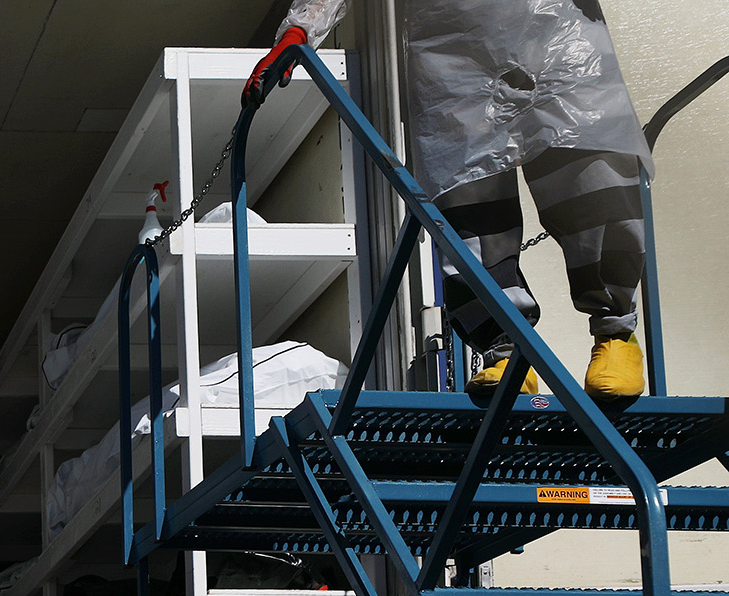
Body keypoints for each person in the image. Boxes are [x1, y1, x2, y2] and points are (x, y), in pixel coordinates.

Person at [248, 0, 653, 400]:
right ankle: (505, 349)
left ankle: (616, 334)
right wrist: (301, 28)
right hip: (451, 43)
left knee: (590, 176)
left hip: (557, 27)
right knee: (468, 200)